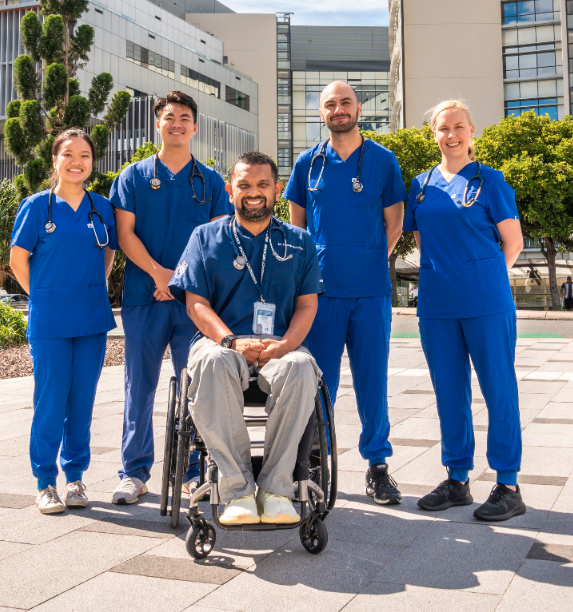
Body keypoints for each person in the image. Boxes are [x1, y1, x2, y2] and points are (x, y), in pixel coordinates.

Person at [168, 151, 323, 524]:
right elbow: (196, 305)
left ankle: (276, 489)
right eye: (244, 185)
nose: (253, 192)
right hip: (222, 341)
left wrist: (286, 345)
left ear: (277, 189)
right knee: (210, 362)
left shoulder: (300, 241)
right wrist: (230, 342)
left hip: (279, 344)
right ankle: (236, 488)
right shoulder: (205, 238)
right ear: (230, 190)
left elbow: (307, 305)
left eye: (262, 184)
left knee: (303, 367)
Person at [285, 81, 408, 505]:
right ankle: (315, 461)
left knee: (373, 382)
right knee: (320, 383)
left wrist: (371, 257)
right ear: (322, 113)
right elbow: (297, 228)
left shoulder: (383, 160)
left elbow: (395, 222)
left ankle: (377, 466)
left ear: (359, 108)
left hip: (370, 291)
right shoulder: (307, 164)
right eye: (330, 104)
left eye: (345, 102)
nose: (338, 109)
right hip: (321, 293)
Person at [404, 100, 527, 521]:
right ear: (434, 134)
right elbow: (421, 239)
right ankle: (457, 479)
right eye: (443, 128)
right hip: (438, 304)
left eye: (459, 127)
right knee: (449, 393)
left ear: (472, 131)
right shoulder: (420, 185)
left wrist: (485, 275)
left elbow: (514, 242)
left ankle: (508, 484)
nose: (451, 134)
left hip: (485, 302)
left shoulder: (491, 181)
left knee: (498, 389)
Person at [109, 91, 232, 504]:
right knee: (138, 387)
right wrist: (159, 274)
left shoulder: (212, 182)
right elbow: (124, 233)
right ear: (157, 125)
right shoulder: (132, 177)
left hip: (193, 303)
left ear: (195, 127)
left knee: (196, 387)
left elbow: (216, 243)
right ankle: (134, 472)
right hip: (145, 296)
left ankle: (191, 472)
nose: (176, 123)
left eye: (184, 117)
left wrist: (178, 280)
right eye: (168, 117)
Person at [10, 129, 118, 514]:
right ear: (54, 160)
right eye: (69, 154)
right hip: (51, 319)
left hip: (91, 316)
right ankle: (44, 482)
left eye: (85, 155)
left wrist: (94, 286)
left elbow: (108, 254)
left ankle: (75, 478)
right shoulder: (38, 206)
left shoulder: (101, 207)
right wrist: (43, 294)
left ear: (92, 162)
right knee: (51, 400)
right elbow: (18, 260)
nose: (77, 161)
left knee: (83, 401)